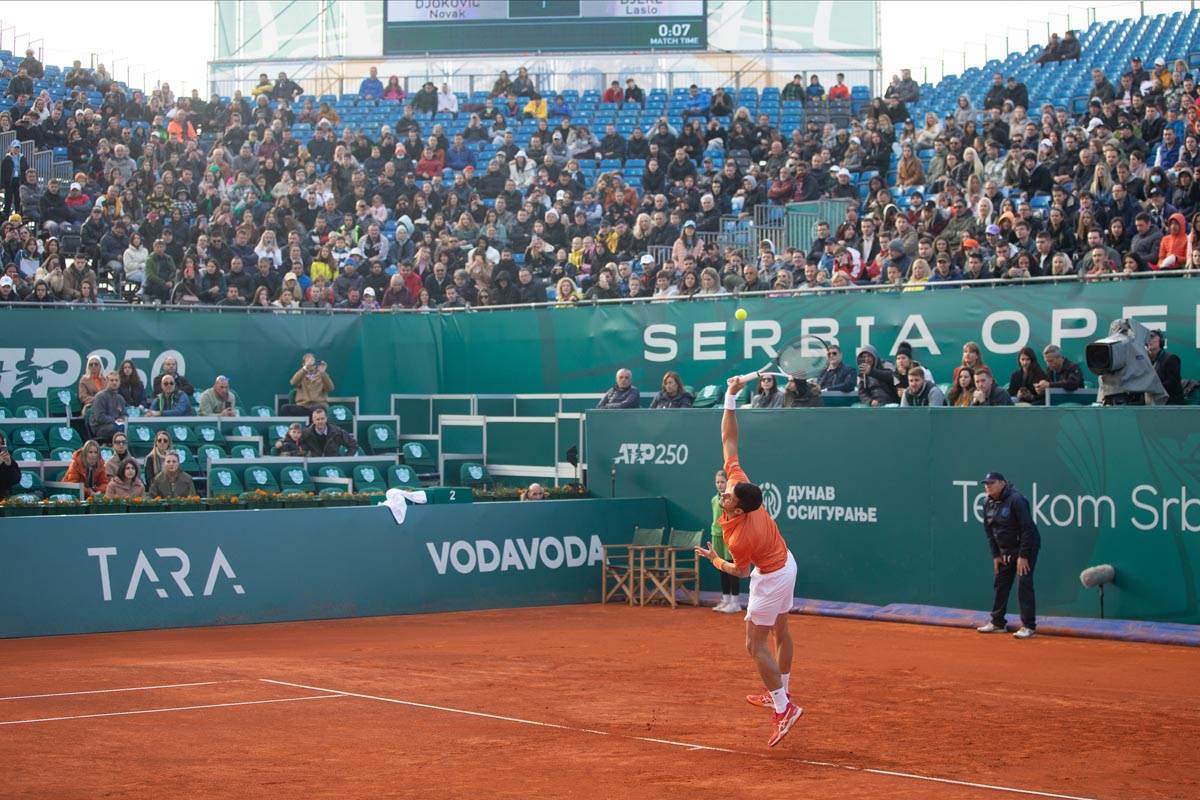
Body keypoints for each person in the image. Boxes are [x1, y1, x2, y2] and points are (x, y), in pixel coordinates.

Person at [694, 373, 802, 747]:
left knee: (753, 645)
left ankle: (783, 707)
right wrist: (729, 395)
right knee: (780, 632)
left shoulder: (740, 535)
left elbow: (740, 571)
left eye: (727, 495)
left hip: (771, 576)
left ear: (738, 507)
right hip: (787, 563)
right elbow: (729, 438)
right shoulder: (741, 483)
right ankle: (780, 691)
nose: (723, 489)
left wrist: (713, 559)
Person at [976, 472, 1041, 640]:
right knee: (1001, 582)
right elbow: (989, 531)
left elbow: (1028, 529)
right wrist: (996, 555)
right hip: (1006, 550)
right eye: (986, 483)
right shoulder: (987, 502)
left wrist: (1023, 555)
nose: (987, 486)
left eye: (991, 483)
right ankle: (997, 623)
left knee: (1024, 583)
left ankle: (1028, 626)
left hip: (1025, 547)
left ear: (1003, 483)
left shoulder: (1017, 500)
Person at [709, 469, 742, 613]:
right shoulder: (714, 500)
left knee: (732, 568)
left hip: (729, 536)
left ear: (728, 483)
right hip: (716, 535)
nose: (720, 485)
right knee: (721, 567)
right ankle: (726, 600)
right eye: (717, 482)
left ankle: (735, 602)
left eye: (722, 482)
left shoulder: (732, 500)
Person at [282, 353, 334, 418]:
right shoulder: (301, 375)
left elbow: (330, 388)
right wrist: (304, 369)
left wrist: (323, 373)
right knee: (285, 408)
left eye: (312, 360)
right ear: (303, 364)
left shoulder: (322, 375)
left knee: (317, 409)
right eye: (308, 361)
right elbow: (293, 382)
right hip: (303, 406)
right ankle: (295, 427)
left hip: (318, 406)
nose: (311, 363)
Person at [1147, 330, 1185, 404]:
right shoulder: (1146, 360)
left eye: (1152, 336)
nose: (1148, 339)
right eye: (1147, 337)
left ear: (1160, 341)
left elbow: (1172, 383)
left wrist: (1152, 388)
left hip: (1170, 405)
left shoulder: (1171, 358)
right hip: (1152, 404)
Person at [89, 371, 126, 442]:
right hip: (100, 427)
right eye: (112, 380)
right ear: (107, 382)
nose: (114, 382)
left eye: (116, 380)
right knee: (120, 428)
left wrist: (122, 419)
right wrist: (115, 420)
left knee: (128, 428)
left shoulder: (120, 398)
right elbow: (99, 417)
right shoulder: (100, 397)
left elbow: (125, 414)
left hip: (117, 425)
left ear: (119, 382)